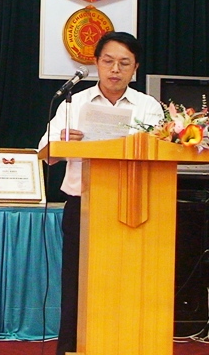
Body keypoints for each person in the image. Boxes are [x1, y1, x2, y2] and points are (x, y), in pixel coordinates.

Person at [37, 31, 164, 355]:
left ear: (135, 68)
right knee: (78, 285)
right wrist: (63, 140)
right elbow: (45, 152)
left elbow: (161, 151)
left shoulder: (148, 107)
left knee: (128, 283)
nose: (115, 70)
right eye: (108, 61)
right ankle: (71, 349)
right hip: (84, 207)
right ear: (96, 63)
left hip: (133, 208)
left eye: (124, 63)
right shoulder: (74, 102)